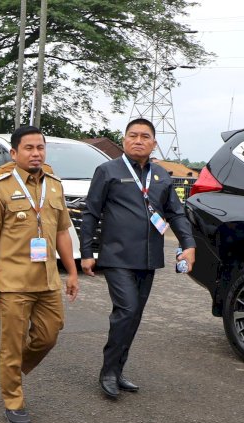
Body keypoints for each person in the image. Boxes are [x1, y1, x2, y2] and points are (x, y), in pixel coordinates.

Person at [80, 118, 195, 399]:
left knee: (134, 316)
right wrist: (86, 253)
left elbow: (176, 213)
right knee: (127, 310)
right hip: (117, 256)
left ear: (154, 143)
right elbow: (90, 212)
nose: (138, 140)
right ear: (124, 140)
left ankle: (118, 370)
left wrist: (188, 244)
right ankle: (108, 372)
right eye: (133, 135)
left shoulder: (161, 175)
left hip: (148, 258)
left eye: (145, 136)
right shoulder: (108, 171)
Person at [0, 125, 79, 423]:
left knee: (49, 334)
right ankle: (14, 401)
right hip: (12, 282)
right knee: (12, 343)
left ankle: (10, 365)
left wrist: (72, 271)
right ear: (14, 152)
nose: (36, 153)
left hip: (47, 279)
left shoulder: (55, 185)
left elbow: (62, 232)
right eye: (29, 148)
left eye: (40, 147)